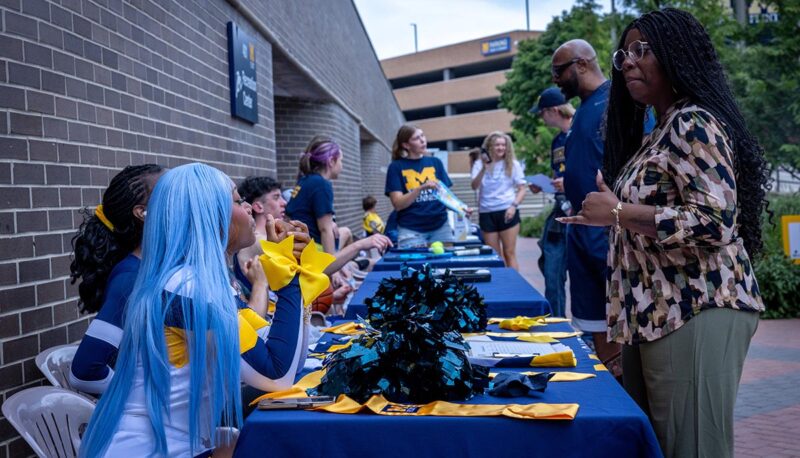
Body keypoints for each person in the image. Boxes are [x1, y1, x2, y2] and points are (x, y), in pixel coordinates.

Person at [560, 8, 768, 457]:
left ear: (677, 55)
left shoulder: (694, 121)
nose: (628, 61)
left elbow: (715, 221)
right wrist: (612, 211)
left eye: (642, 50)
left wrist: (618, 212)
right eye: (623, 54)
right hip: (656, 315)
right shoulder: (661, 130)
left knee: (691, 448)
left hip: (695, 307)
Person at [79, 163, 324, 457]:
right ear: (210, 216)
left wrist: (296, 268)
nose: (247, 206)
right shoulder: (187, 286)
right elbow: (276, 374)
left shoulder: (198, 280)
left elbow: (290, 360)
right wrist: (289, 279)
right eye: (236, 200)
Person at [550, 39, 619, 362]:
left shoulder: (617, 104)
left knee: (617, 321)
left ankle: (627, 395)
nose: (555, 79)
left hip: (608, 232)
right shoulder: (582, 110)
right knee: (596, 323)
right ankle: (611, 383)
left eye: (558, 71)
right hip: (582, 229)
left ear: (581, 65)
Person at [69, 164, 165, 394]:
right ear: (143, 212)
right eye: (168, 191)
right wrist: (145, 397)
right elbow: (84, 371)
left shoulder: (154, 268)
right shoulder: (131, 278)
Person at [528, 87, 574, 317]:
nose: (541, 118)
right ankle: (557, 322)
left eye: (542, 113)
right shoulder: (556, 141)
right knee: (550, 267)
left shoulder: (585, 129)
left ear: (554, 110)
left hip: (584, 210)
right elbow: (559, 173)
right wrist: (545, 184)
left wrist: (572, 183)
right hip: (560, 209)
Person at [385, 125, 454, 248]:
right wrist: (420, 188)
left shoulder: (435, 162)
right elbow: (398, 204)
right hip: (411, 230)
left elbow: (446, 195)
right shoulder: (396, 167)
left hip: (441, 227)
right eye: (417, 138)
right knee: (416, 267)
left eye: (422, 135)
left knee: (445, 266)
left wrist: (461, 209)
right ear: (406, 145)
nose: (422, 140)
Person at [470, 131, 526, 269]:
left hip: (507, 210)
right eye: (497, 145)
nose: (501, 148)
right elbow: (474, 186)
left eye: (503, 145)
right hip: (487, 212)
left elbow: (522, 188)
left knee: (509, 253)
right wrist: (484, 167)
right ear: (489, 147)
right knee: (495, 256)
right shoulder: (479, 164)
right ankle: (502, 287)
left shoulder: (513, 164)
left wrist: (513, 206)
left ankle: (515, 287)